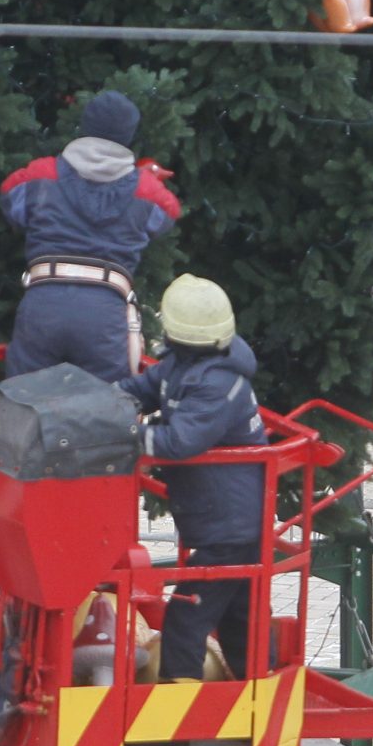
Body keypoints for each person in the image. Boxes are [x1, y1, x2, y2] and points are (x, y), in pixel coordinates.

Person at [119, 274, 271, 682]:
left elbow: (179, 440)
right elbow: (144, 387)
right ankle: (257, 700)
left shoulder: (217, 383)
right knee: (242, 621)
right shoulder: (186, 364)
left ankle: (177, 720)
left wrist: (121, 433)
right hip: (225, 524)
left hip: (228, 530)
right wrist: (100, 400)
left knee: (186, 619)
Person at [0, 90, 181, 383]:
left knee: (25, 403)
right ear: (129, 135)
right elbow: (167, 215)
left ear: (85, 126)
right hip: (104, 310)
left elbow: (10, 199)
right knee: (102, 412)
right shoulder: (146, 191)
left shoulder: (41, 175)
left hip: (44, 303)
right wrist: (144, 180)